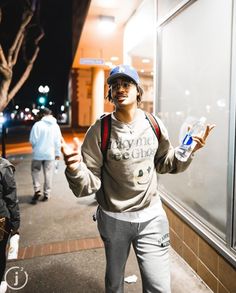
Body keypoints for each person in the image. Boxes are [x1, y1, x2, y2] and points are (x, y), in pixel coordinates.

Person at [61, 65, 215, 292]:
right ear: (110, 94)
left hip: (152, 217)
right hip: (114, 219)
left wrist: (188, 150)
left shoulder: (153, 124)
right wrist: (75, 167)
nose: (120, 89)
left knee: (159, 287)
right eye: (114, 85)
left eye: (126, 84)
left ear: (138, 91)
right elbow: (89, 184)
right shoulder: (100, 130)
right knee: (114, 284)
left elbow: (165, 163)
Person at [29, 107, 61, 204]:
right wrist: (57, 153)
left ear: (42, 115)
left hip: (38, 154)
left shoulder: (37, 125)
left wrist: (36, 148)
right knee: (48, 173)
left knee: (35, 171)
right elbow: (57, 141)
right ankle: (47, 194)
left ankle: (37, 189)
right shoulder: (55, 126)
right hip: (50, 154)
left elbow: (32, 140)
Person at [0, 157, 20, 293]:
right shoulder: (3, 167)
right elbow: (11, 198)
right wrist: (15, 223)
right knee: (0, 252)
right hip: (1, 218)